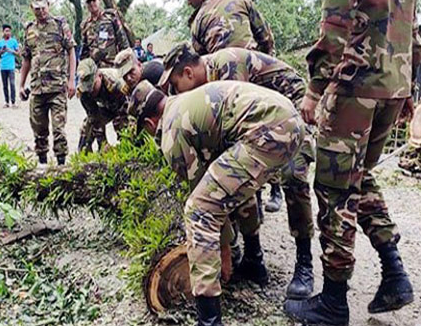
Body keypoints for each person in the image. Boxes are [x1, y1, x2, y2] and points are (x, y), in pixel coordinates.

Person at [284, 0, 421, 324]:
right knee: (359, 178)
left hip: (355, 85)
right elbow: (411, 17)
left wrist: (315, 87)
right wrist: (411, 81)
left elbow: (336, 19)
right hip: (394, 82)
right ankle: (395, 274)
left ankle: (333, 301)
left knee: (332, 187)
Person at [129, 80, 304, 326]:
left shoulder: (170, 132)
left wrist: (223, 251)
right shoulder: (183, 103)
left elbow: (205, 203)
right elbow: (221, 189)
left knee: (198, 210)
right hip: (288, 121)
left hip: (268, 131)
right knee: (230, 184)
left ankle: (209, 320)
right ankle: (255, 261)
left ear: (149, 123)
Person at [160, 43, 316, 299]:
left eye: (176, 86)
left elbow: (242, 116)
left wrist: (221, 246)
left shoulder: (227, 65)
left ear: (188, 73)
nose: (176, 93)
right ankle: (254, 258)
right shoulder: (207, 79)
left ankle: (304, 264)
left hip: (295, 109)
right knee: (233, 177)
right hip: (264, 121)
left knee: (293, 179)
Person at [19, 0, 77, 166]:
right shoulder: (29, 29)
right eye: (37, 9)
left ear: (48, 5)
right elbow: (26, 58)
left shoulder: (60, 25)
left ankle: (61, 164)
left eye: (43, 8)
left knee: (59, 129)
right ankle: (42, 164)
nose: (41, 12)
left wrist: (72, 79)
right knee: (39, 130)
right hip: (37, 89)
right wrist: (21, 85)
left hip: (57, 87)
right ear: (32, 8)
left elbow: (71, 51)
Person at [182, 0, 275, 56]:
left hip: (224, 70)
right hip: (255, 66)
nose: (189, 2)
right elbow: (267, 40)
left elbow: (202, 64)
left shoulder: (197, 23)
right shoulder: (242, 0)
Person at [76, 58, 129, 152]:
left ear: (99, 76)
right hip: (105, 107)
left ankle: (128, 150)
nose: (90, 91)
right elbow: (94, 117)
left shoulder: (116, 83)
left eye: (92, 86)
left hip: (121, 106)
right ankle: (84, 154)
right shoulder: (83, 92)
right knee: (88, 127)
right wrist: (103, 143)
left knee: (124, 131)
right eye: (87, 88)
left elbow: (125, 111)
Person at [79, 0, 131, 68]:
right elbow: (84, 51)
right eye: (89, 2)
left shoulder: (111, 17)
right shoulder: (85, 25)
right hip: (95, 71)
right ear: (86, 5)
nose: (92, 3)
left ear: (99, 0)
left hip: (112, 67)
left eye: (93, 0)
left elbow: (123, 42)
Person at [0, 24, 20, 108]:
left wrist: (10, 50)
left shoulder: (14, 41)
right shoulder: (0, 42)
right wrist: (2, 51)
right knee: (5, 85)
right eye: (6, 31)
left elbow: (18, 53)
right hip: (3, 66)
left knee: (12, 84)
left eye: (9, 31)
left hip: (11, 66)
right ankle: (6, 102)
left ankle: (13, 102)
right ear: (3, 32)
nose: (8, 33)